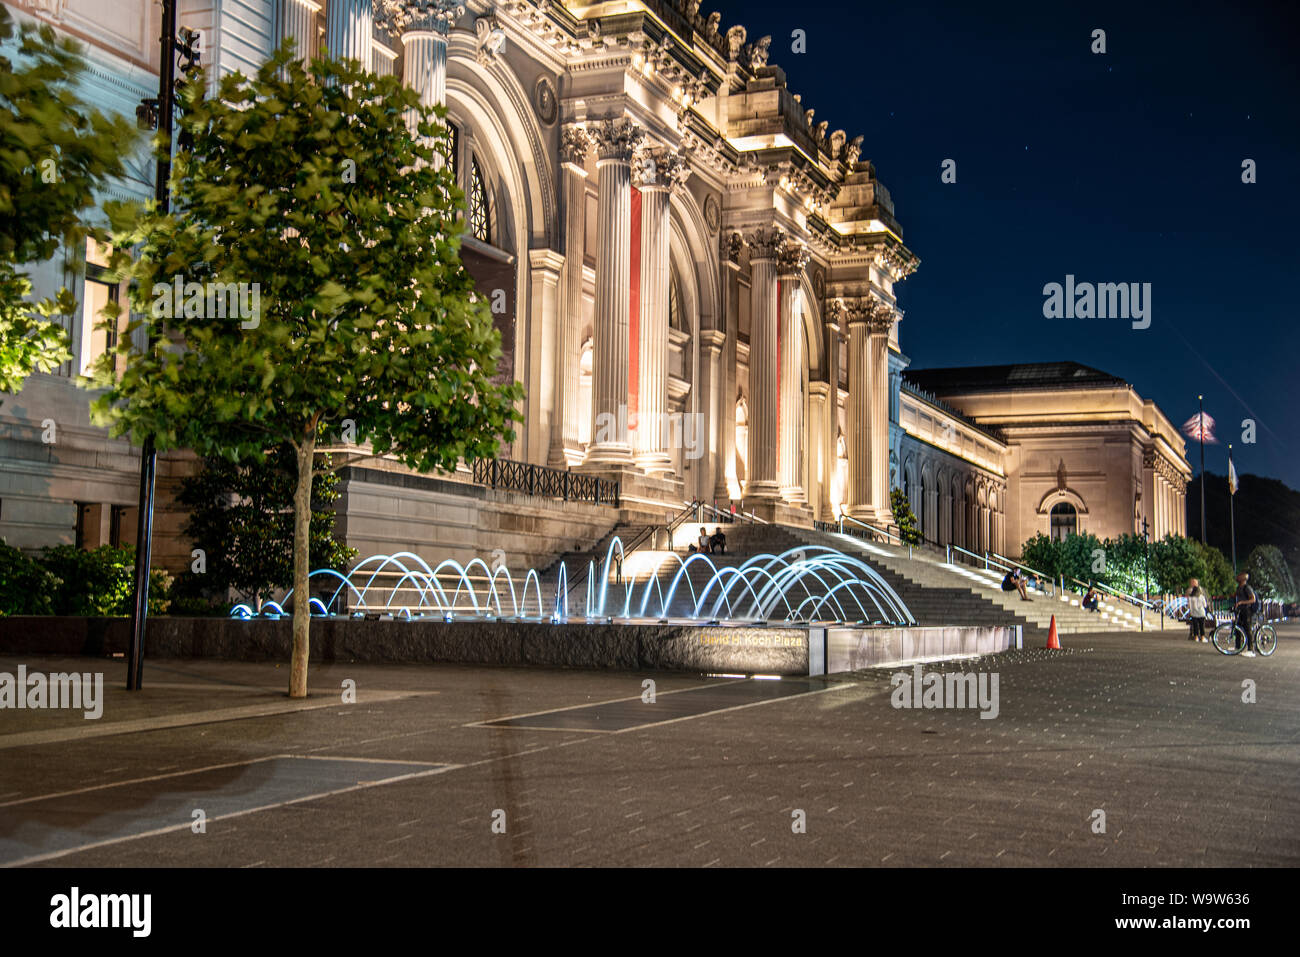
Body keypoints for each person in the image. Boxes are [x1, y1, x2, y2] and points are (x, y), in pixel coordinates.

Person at [1232, 572, 1257, 656]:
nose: (1237, 578)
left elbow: (1253, 599)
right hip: (1240, 610)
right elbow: (1235, 596)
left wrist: (1242, 602)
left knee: (1247, 629)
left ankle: (1251, 650)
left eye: (1239, 577)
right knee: (1237, 627)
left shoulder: (1247, 588)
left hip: (1247, 610)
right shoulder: (1239, 587)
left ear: (1243, 579)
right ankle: (1238, 647)